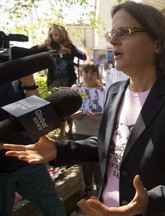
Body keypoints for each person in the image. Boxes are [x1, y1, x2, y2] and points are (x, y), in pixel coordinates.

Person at [3, 2, 165, 216]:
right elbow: (110, 144)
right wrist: (59, 149)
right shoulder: (114, 92)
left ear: (157, 44)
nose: (112, 40)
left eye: (125, 32)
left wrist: (150, 202)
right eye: (112, 32)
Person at [0, 75, 65, 216]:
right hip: (1, 169)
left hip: (28, 159)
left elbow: (43, 124)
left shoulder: (14, 75)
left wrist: (29, 84)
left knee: (55, 208)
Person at [31, 24, 78, 138]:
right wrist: (43, 45)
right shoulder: (49, 47)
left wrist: (51, 44)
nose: (57, 37)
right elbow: (32, 51)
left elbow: (65, 50)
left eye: (59, 35)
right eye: (54, 35)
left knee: (70, 106)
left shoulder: (69, 46)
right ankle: (61, 132)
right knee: (57, 107)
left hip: (68, 81)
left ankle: (71, 130)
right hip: (54, 81)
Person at [70, 60, 104, 198]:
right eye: (86, 72)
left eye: (93, 72)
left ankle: (100, 191)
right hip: (79, 131)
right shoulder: (75, 88)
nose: (89, 75)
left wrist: (98, 117)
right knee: (84, 163)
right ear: (81, 73)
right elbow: (68, 111)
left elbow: (109, 112)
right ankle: (88, 189)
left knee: (97, 162)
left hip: (97, 132)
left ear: (97, 74)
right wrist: (74, 114)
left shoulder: (103, 89)